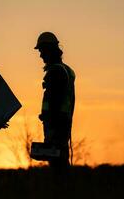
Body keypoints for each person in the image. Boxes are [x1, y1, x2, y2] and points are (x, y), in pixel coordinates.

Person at [34, 32, 76, 176]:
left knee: (57, 168)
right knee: (61, 164)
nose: (41, 55)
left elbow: (54, 100)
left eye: (42, 51)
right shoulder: (66, 71)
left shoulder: (55, 72)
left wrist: (47, 116)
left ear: (49, 49)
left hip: (55, 127)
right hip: (62, 125)